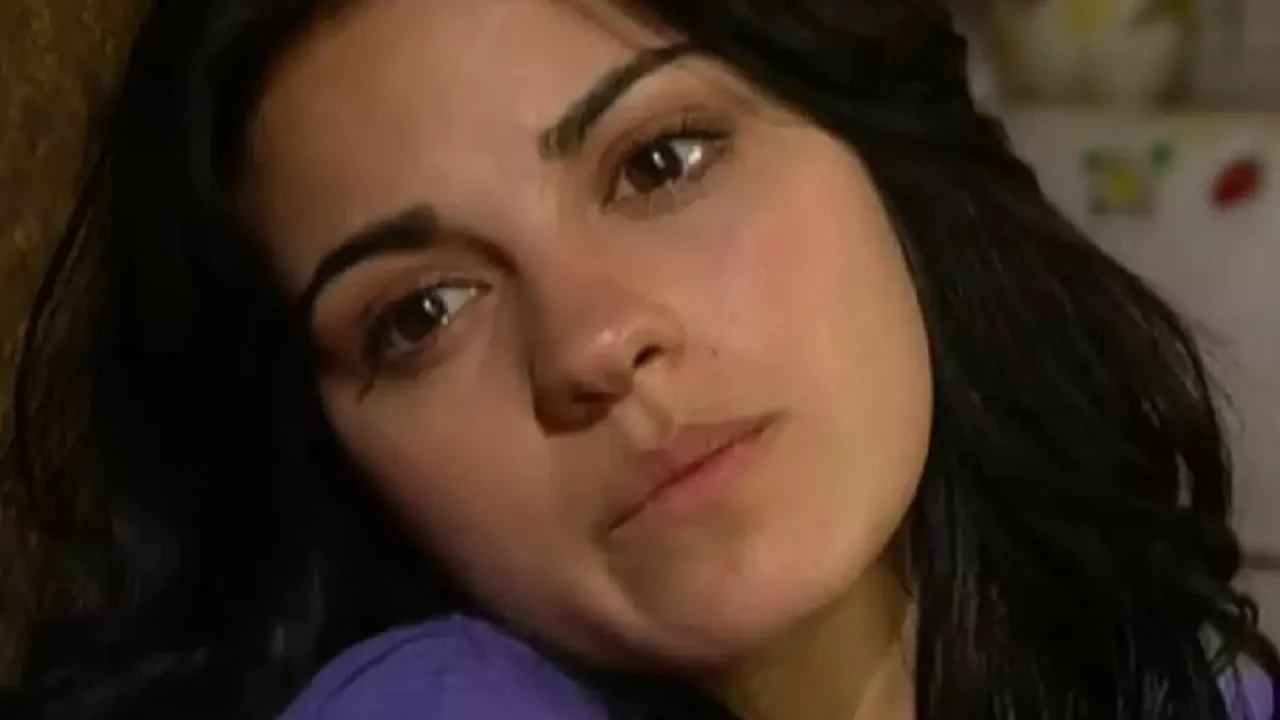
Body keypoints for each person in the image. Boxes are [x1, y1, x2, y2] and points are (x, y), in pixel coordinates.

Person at [4, 0, 1277, 718]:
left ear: (881, 156)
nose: (594, 343)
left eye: (660, 162)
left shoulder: (1177, 677)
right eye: (422, 314)